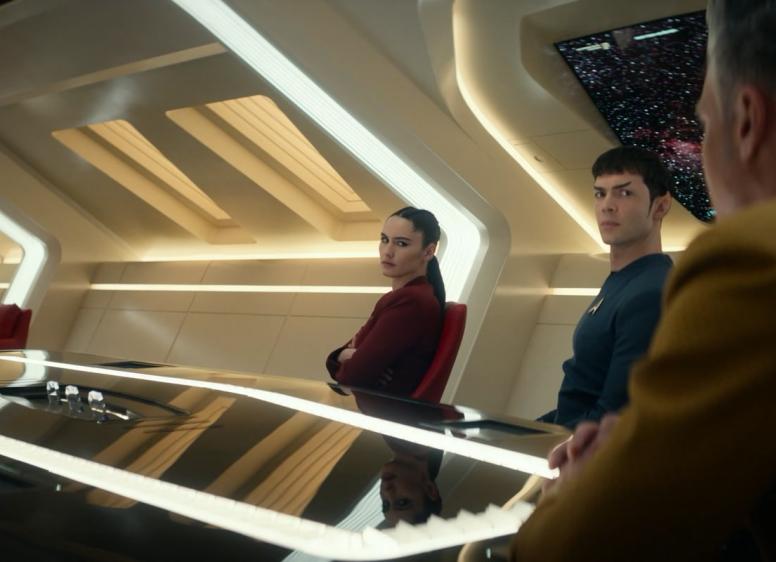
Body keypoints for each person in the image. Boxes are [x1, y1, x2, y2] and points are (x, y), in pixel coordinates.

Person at [512, 0, 776, 559]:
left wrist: (575, 484)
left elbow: (579, 541)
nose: (607, 206)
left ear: (747, 121)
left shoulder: (746, 263)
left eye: (707, 125)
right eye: (600, 195)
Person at [541, 146, 673, 428]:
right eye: (600, 194)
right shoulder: (622, 280)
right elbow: (584, 393)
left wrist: (550, 442)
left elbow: (613, 418)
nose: (607, 205)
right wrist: (532, 429)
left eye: (624, 193)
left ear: (660, 206)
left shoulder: (652, 293)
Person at [326, 207, 444, 395]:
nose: (388, 252)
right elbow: (341, 367)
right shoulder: (408, 297)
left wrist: (345, 357)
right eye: (384, 240)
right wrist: (341, 355)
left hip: (383, 409)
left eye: (402, 244)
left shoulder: (411, 301)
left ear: (428, 251)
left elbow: (353, 377)